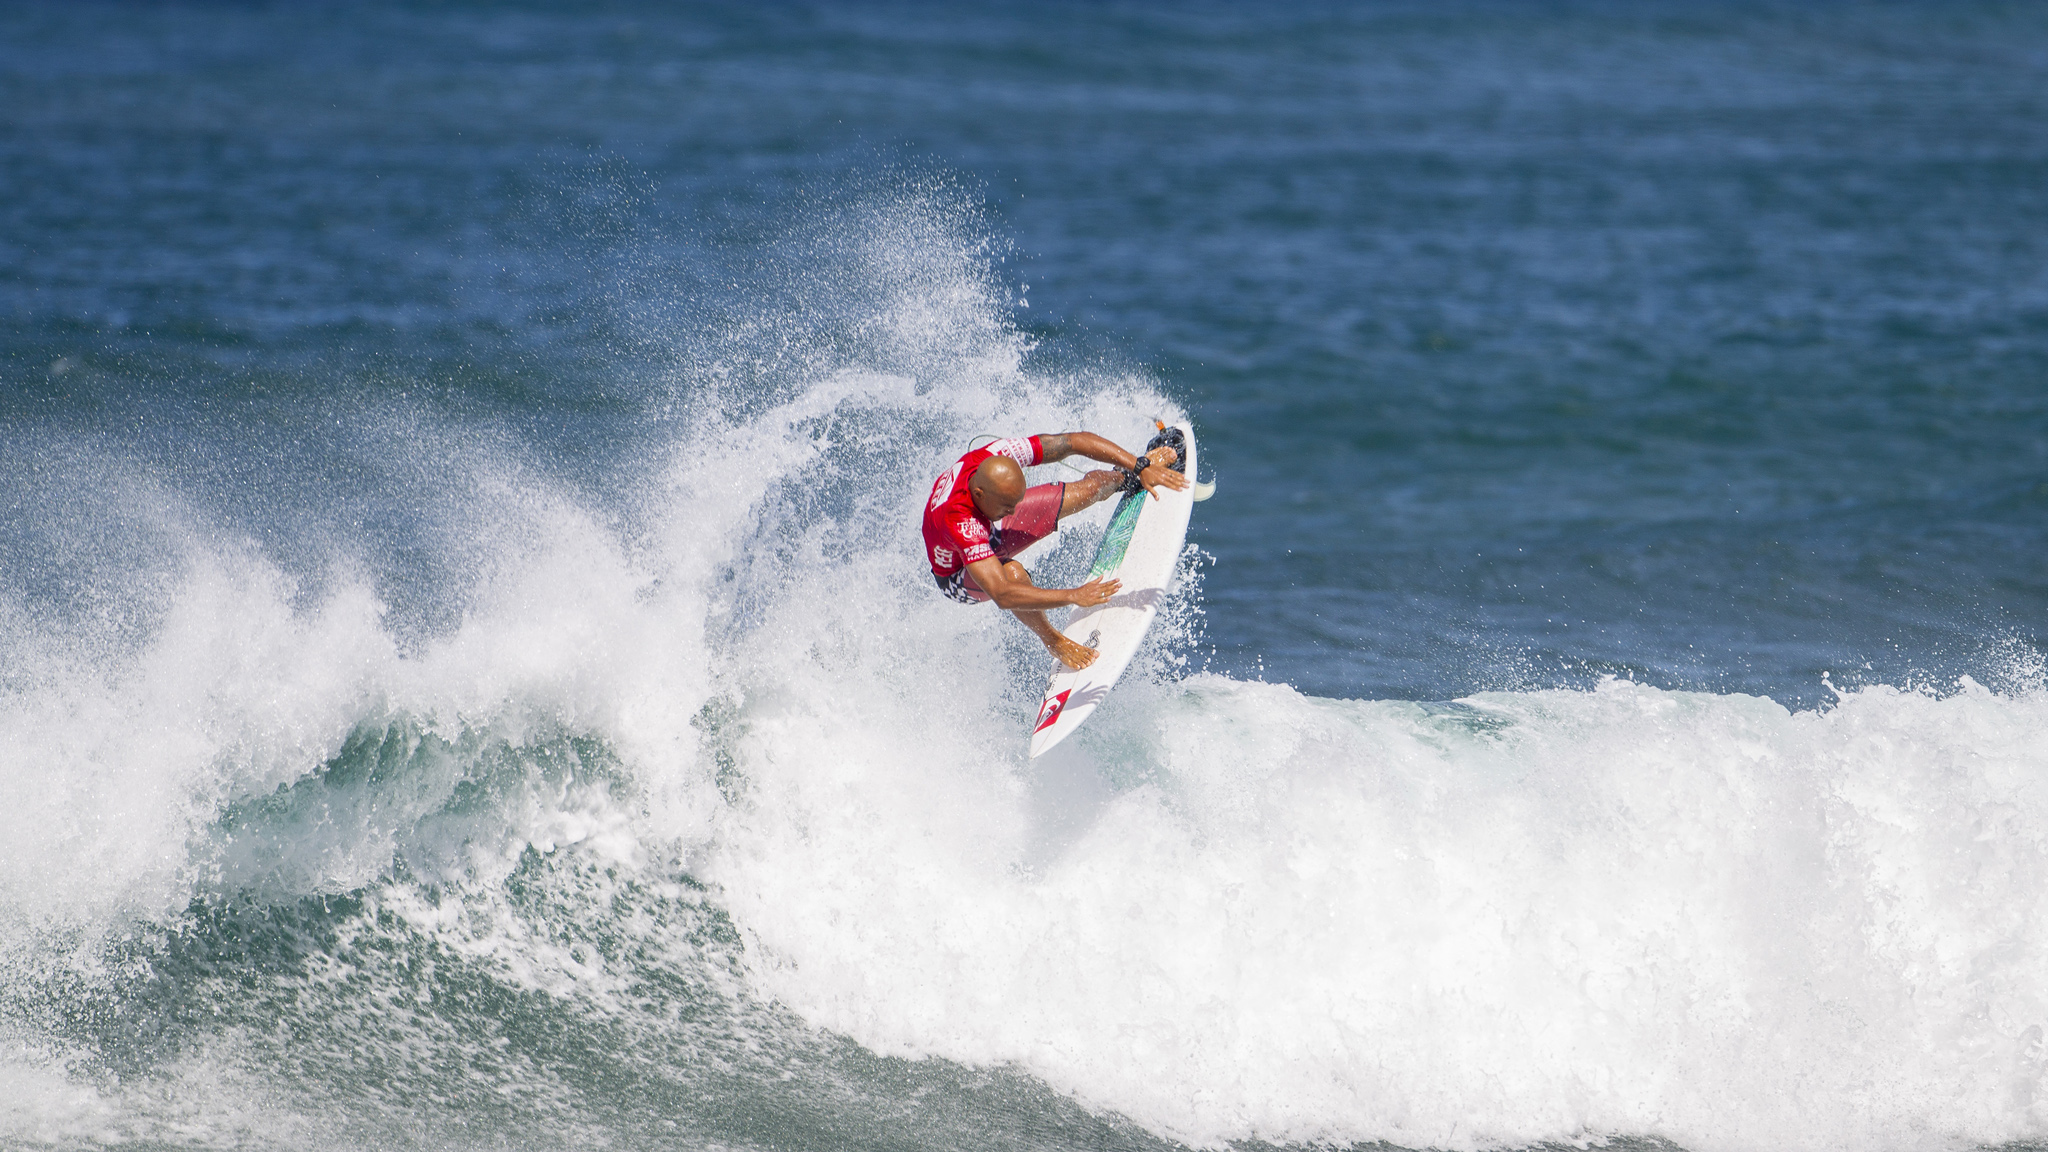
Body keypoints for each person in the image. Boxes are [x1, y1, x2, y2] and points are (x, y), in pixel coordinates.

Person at [923, 431, 1190, 669]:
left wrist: (1138, 464)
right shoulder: (959, 521)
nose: (1014, 513)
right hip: (958, 575)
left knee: (1091, 488)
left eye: (1014, 504)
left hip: (987, 526)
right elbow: (1002, 595)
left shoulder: (995, 454)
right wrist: (1075, 595)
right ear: (979, 494)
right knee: (1012, 574)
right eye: (1007, 507)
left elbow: (1071, 441)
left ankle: (1127, 477)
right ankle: (1053, 640)